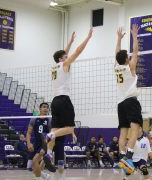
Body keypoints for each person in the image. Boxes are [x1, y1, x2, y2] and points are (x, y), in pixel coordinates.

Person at [44, 29, 93, 172]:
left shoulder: (55, 66)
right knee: (70, 129)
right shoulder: (65, 64)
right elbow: (77, 52)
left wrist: (70, 42)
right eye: (65, 56)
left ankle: (48, 154)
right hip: (64, 100)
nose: (67, 56)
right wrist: (87, 38)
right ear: (61, 59)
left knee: (55, 129)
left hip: (54, 101)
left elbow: (62, 53)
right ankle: (50, 135)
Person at [114, 25, 143, 174]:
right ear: (126, 58)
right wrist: (134, 35)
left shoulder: (116, 67)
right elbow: (136, 52)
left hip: (120, 104)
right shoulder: (129, 66)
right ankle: (129, 156)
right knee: (135, 130)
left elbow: (117, 53)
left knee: (123, 133)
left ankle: (122, 156)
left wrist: (118, 39)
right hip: (131, 101)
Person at [26, 102, 52, 178]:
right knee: (31, 166)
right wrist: (28, 143)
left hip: (45, 143)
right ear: (40, 108)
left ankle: (42, 177)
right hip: (36, 143)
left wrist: (45, 146)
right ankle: (45, 177)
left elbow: (51, 134)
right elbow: (28, 133)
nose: (46, 108)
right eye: (44, 107)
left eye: (47, 107)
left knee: (35, 161)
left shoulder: (50, 120)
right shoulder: (34, 119)